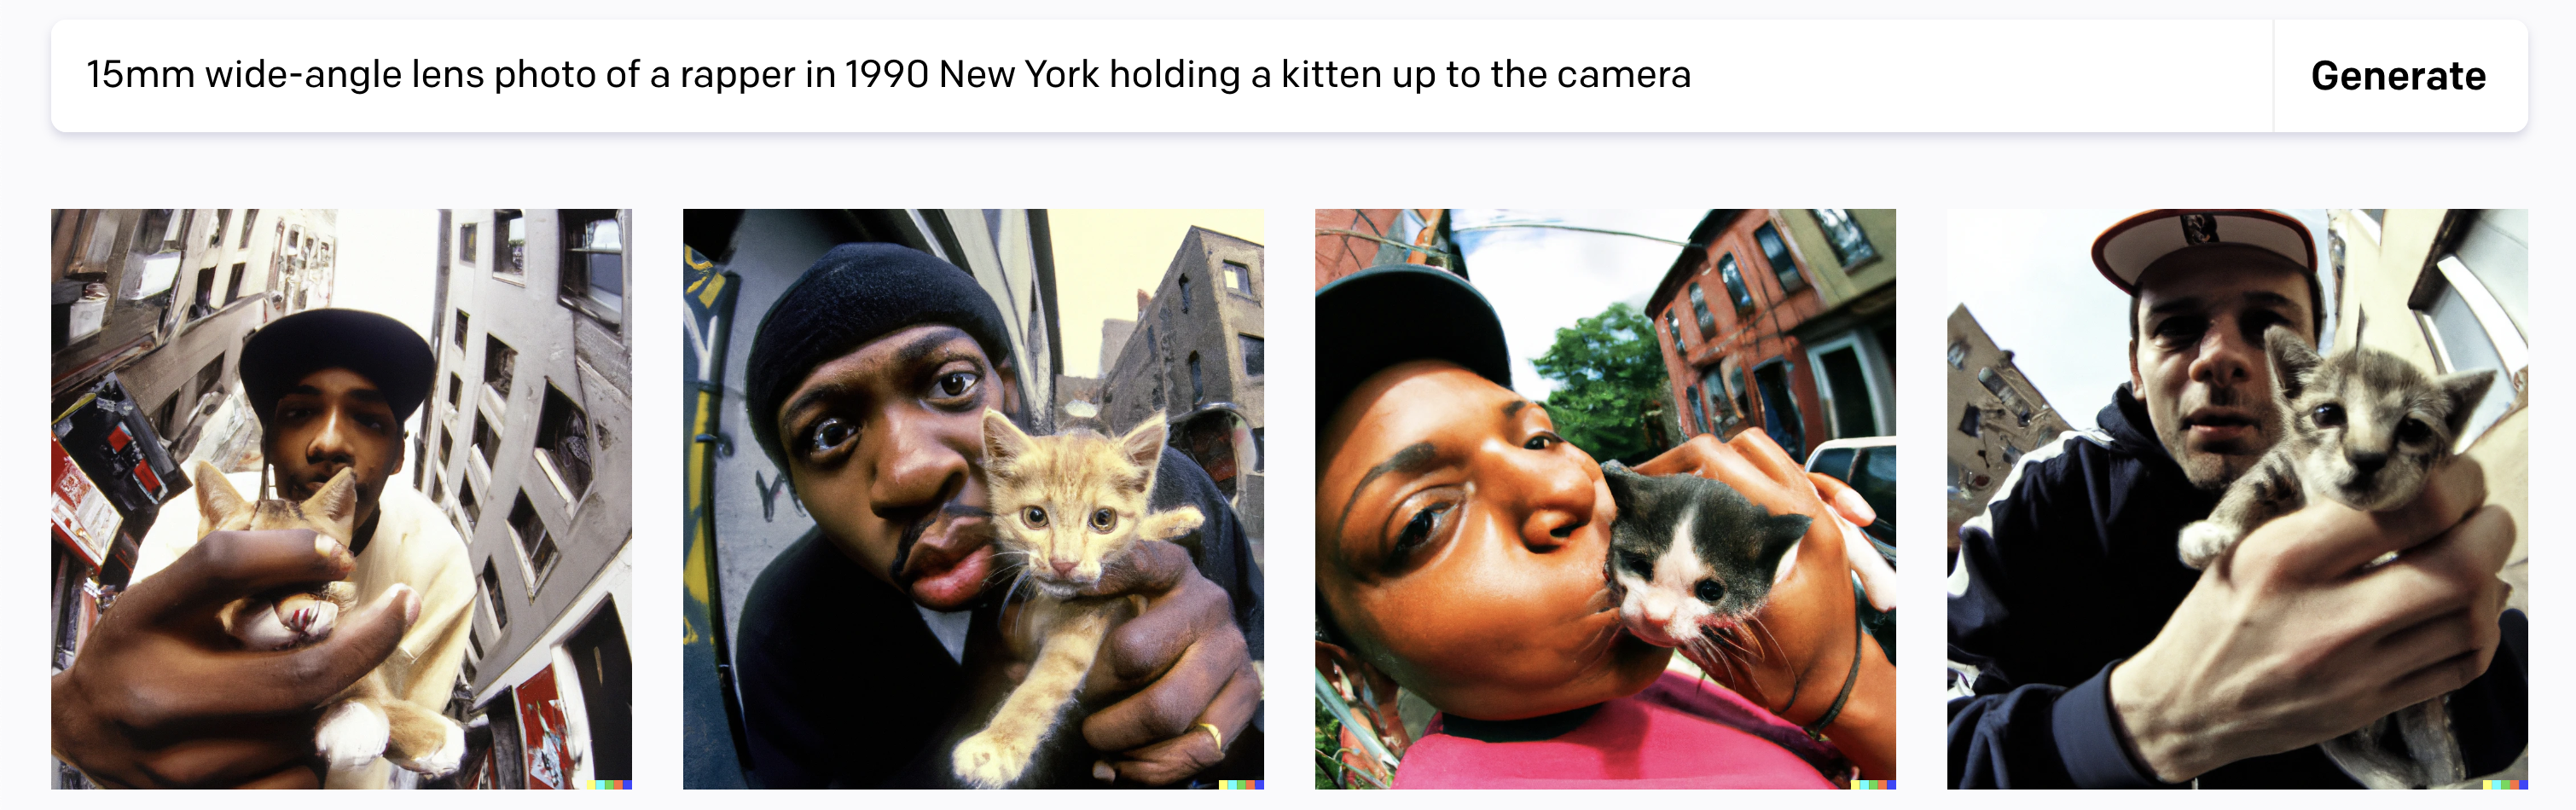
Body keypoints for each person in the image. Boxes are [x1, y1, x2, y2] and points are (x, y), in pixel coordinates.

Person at [1947, 209, 2527, 788]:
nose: (2218, 355)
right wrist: (2142, 724)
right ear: (2137, 369)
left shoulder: (2380, 493)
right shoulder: (2052, 492)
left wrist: (2476, 659)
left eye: (2266, 326)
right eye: (2176, 327)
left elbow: (2490, 714)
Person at [1314, 265, 1893, 787]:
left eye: (1541, 439)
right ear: (1355, 675)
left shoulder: (1632, 678)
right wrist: (1854, 690)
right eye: (1422, 521)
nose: (1566, 487)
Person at [730, 242, 1263, 789]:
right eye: (830, 434)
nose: (909, 473)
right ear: (798, 494)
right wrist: (986, 692)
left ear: (1007, 393)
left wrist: (1236, 740)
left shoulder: (1167, 491)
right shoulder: (786, 630)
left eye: (952, 384)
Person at [54, 309, 473, 789]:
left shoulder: (438, 558)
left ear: (400, 454)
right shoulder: (195, 517)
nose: (330, 441)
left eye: (368, 419)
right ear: (268, 442)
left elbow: (413, 735)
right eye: (298, 412)